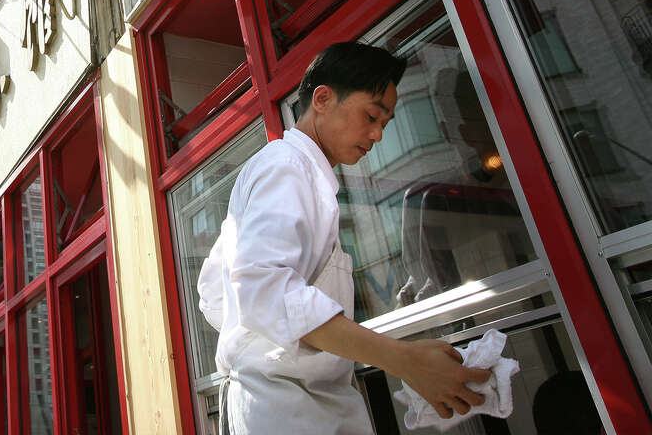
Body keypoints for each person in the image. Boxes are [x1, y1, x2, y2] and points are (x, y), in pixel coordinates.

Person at [198, 41, 493, 434]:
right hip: (287, 408)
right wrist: (404, 360)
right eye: (372, 115)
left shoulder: (289, 169)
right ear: (322, 98)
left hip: (286, 401)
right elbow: (264, 289)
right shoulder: (287, 167)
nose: (377, 135)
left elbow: (214, 295)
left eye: (386, 125)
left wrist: (257, 339)